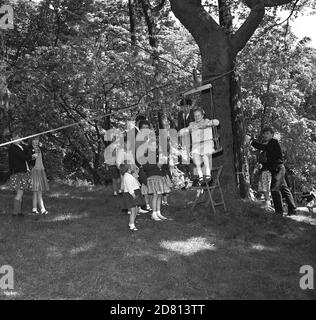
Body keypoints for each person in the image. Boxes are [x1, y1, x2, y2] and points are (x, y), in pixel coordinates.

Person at [245, 127, 297, 216]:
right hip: (276, 169)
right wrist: (262, 166)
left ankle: (279, 212)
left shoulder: (273, 142)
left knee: (274, 189)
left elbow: (263, 147)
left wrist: (251, 141)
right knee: (284, 189)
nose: (265, 135)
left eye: (267, 133)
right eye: (264, 134)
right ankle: (292, 210)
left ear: (272, 135)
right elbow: (271, 161)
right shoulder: (270, 145)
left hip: (279, 169)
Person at [180, 108, 219, 184]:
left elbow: (217, 122)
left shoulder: (206, 121)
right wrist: (184, 130)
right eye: (195, 116)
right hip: (197, 145)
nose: (197, 117)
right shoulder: (192, 124)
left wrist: (209, 124)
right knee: (195, 155)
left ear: (202, 115)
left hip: (207, 143)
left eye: (198, 115)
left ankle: (208, 173)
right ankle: (200, 175)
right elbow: (186, 130)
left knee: (204, 154)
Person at [8, 134, 35, 216]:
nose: (18, 139)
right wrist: (31, 156)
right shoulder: (13, 148)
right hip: (18, 172)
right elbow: (23, 157)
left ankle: (18, 212)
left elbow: (27, 153)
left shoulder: (20, 146)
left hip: (22, 171)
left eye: (19, 137)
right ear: (12, 139)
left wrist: (23, 144)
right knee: (20, 193)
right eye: (16, 138)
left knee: (20, 193)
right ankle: (15, 213)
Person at [120, 163, 145, 231]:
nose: (132, 169)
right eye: (131, 168)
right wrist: (134, 195)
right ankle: (131, 225)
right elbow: (129, 187)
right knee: (133, 210)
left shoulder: (128, 175)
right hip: (131, 194)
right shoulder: (127, 176)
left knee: (135, 209)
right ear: (128, 169)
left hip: (133, 193)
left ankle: (132, 222)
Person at [30, 137, 49, 215]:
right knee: (37, 191)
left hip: (41, 170)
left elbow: (42, 159)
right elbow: (28, 159)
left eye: (37, 140)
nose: (36, 141)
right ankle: (42, 209)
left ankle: (35, 209)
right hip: (35, 170)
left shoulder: (40, 148)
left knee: (38, 191)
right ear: (31, 141)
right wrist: (32, 157)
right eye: (35, 140)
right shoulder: (29, 149)